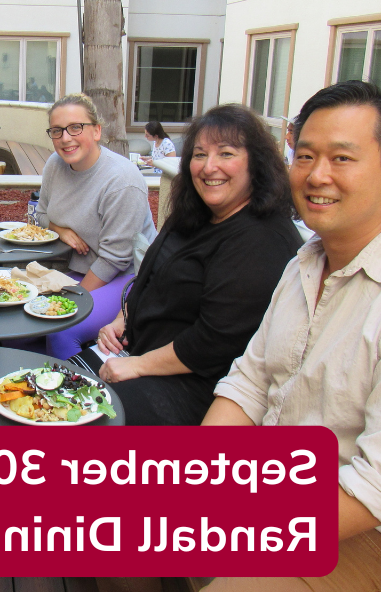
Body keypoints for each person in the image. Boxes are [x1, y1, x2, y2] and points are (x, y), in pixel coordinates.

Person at [199, 81, 381, 592]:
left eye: (342, 158)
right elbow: (250, 382)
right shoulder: (305, 262)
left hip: (367, 541)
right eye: (304, 156)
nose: (317, 175)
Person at [80, 104, 302, 427]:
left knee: (79, 425)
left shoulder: (264, 238)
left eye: (226, 154)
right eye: (199, 155)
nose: (209, 167)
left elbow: (211, 342)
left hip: (193, 386)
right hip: (136, 356)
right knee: (49, 389)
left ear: (256, 163)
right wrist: (121, 318)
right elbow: (147, 276)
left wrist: (139, 365)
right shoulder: (193, 214)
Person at [36, 93, 157, 359]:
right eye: (57, 131)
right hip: (77, 270)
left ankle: (69, 395)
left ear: (97, 131)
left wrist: (69, 299)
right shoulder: (55, 165)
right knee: (25, 318)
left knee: (61, 328)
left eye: (75, 127)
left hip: (129, 277)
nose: (65, 137)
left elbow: (114, 260)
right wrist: (59, 229)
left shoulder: (122, 181)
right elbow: (41, 215)